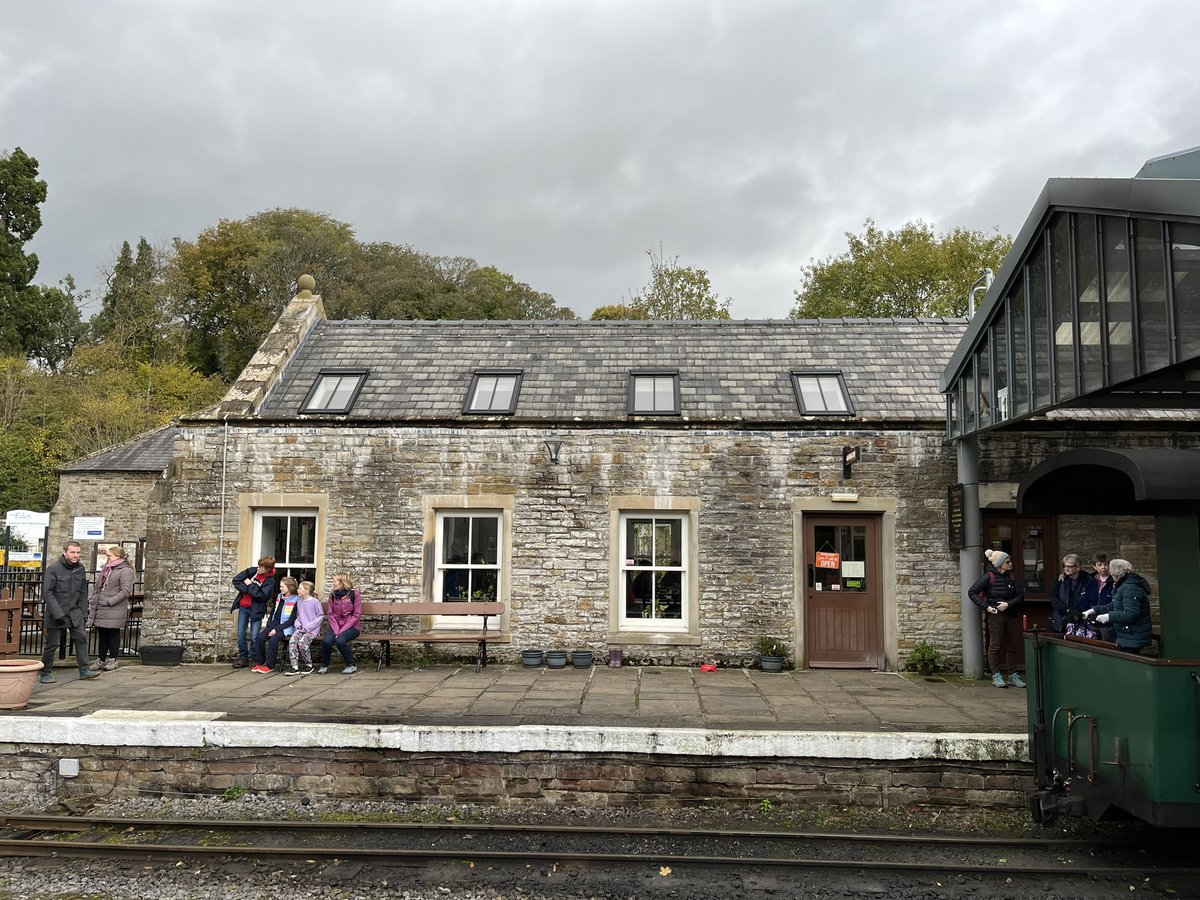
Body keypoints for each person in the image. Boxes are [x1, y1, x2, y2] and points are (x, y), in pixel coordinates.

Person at [40, 541, 100, 683]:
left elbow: (83, 592)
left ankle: (84, 670)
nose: (76, 555)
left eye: (78, 552)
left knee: (81, 639)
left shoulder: (80, 569)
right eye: (73, 552)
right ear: (65, 552)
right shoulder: (53, 569)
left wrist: (83, 611)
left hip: (75, 612)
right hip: (57, 612)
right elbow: (48, 593)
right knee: (52, 644)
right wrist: (57, 613)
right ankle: (45, 672)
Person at [968, 549, 1026, 688]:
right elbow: (972, 592)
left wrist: (1008, 604)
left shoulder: (1012, 577)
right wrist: (987, 607)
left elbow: (1020, 595)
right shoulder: (988, 577)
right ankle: (996, 674)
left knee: (1012, 645)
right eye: (1007, 562)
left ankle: (1012, 673)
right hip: (995, 615)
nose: (1010, 563)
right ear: (1000, 564)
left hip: (1011, 614)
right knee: (995, 645)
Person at [1084, 558, 1153, 654]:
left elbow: (1131, 614)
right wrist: (1094, 610)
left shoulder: (1130, 587)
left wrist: (1108, 617)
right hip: (1126, 635)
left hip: (1131, 636)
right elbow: (1114, 605)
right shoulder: (1123, 585)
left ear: (1116, 574)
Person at [86, 545, 135, 670]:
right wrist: (95, 599)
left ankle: (113, 660)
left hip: (114, 607)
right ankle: (101, 660)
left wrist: (110, 601)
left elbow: (126, 591)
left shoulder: (125, 570)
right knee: (102, 634)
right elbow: (99, 587)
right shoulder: (107, 569)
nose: (107, 558)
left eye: (109, 555)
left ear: (118, 556)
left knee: (113, 632)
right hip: (101, 606)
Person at [229, 556, 278, 668]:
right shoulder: (252, 571)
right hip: (243, 606)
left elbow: (261, 596)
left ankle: (254, 658)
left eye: (261, 567)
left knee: (255, 636)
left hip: (257, 609)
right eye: (259, 565)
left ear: (267, 569)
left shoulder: (270, 580)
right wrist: (249, 589)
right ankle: (243, 657)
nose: (258, 569)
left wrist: (250, 585)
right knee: (241, 633)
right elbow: (236, 580)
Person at [251, 576, 299, 673]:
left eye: (282, 587)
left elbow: (291, 620)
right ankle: (260, 663)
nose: (280, 588)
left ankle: (270, 665)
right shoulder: (279, 597)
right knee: (260, 637)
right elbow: (273, 613)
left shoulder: (296, 600)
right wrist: (269, 625)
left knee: (273, 640)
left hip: (286, 628)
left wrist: (276, 630)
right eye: (280, 587)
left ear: (290, 588)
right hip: (274, 624)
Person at [319, 573, 362, 675]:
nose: (333, 583)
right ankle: (324, 665)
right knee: (327, 641)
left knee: (340, 640)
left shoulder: (354, 594)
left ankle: (351, 664)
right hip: (336, 625)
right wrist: (336, 630)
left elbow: (356, 615)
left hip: (353, 626)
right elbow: (331, 614)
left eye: (335, 581)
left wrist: (341, 631)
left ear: (342, 583)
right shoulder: (333, 595)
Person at [285, 580, 324, 676]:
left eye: (300, 589)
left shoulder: (315, 602)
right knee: (292, 641)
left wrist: (309, 627)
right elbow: (298, 616)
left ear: (306, 590)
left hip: (312, 630)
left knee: (302, 643)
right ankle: (294, 667)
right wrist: (298, 624)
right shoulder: (299, 602)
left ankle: (309, 665)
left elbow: (320, 616)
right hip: (301, 629)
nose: (297, 590)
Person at [1051, 553, 1090, 633]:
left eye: (1070, 566)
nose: (1066, 569)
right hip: (1061, 619)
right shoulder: (1060, 580)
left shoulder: (1087, 581)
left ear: (1078, 567)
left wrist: (1079, 613)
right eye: (1065, 566)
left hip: (1080, 621)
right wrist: (1066, 610)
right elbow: (1053, 598)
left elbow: (1089, 599)